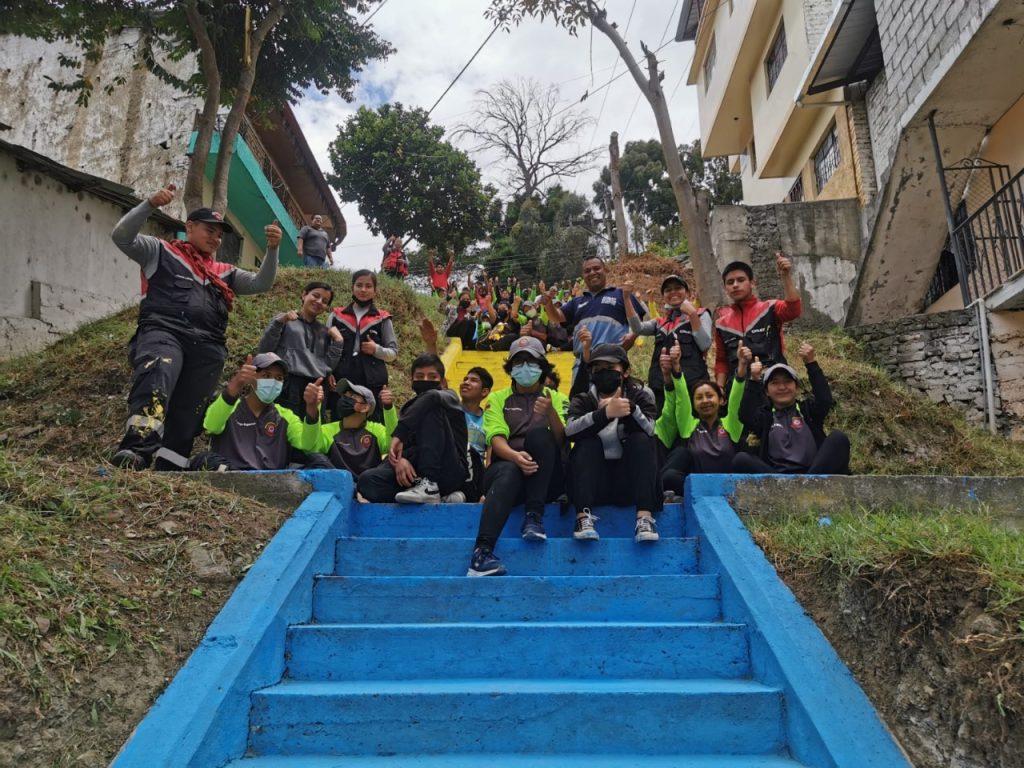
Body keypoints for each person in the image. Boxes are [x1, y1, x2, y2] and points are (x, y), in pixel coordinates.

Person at [110, 183, 281, 471]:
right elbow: (122, 237)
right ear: (189, 227)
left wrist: (273, 250)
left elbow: (261, 283)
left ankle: (172, 464)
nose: (215, 237)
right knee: (158, 376)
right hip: (164, 333)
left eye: (218, 233)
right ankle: (135, 451)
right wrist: (149, 204)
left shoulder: (224, 273)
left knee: (192, 405)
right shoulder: (161, 252)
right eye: (208, 230)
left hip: (208, 347)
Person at [467, 337, 568, 578]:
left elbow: (564, 440)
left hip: (546, 477)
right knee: (509, 470)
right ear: (510, 368)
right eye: (519, 362)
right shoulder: (498, 398)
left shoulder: (558, 398)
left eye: (531, 361)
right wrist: (514, 456)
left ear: (542, 365)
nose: (524, 367)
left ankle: (534, 517)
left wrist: (550, 414)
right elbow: (495, 437)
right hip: (508, 473)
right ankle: (482, 553)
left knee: (539, 436)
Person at [564, 343, 661, 543]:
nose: (603, 373)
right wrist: (603, 415)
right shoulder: (582, 399)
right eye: (597, 369)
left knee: (641, 440)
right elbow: (570, 431)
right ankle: (583, 518)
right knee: (586, 442)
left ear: (625, 372)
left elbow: (652, 430)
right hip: (595, 483)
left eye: (610, 369)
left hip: (630, 482)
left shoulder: (640, 394)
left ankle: (644, 518)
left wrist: (629, 409)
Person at [357, 354, 470, 504]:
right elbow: (405, 448)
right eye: (420, 376)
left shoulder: (449, 398)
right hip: (416, 474)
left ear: (443, 382)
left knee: (430, 406)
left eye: (432, 376)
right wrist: (399, 461)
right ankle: (438, 496)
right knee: (367, 481)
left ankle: (431, 486)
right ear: (412, 381)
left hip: (448, 471)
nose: (425, 380)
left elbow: (431, 397)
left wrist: (400, 432)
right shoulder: (409, 409)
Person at [190, 352, 322, 471]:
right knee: (205, 460)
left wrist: (312, 409)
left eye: (279, 378)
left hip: (273, 482)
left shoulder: (285, 416)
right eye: (266, 375)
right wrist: (235, 385)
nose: (273, 382)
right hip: (230, 475)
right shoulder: (230, 406)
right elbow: (211, 425)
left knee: (319, 462)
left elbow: (308, 445)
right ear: (251, 377)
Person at [733, 342, 851, 475]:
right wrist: (754, 380)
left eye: (787, 382)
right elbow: (745, 415)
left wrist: (811, 363)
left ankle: (808, 486)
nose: (782, 387)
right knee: (741, 459)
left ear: (797, 387)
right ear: (766, 391)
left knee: (838, 438)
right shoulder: (765, 417)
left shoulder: (808, 411)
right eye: (775, 383)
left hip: (813, 476)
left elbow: (825, 400)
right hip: (777, 481)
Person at [658, 341, 750, 499]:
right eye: (699, 398)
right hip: (698, 490)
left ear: (721, 400)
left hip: (729, 489)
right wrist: (676, 369)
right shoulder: (688, 426)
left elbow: (736, 400)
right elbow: (681, 398)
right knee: (669, 476)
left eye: (710, 395)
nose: (705, 400)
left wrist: (741, 369)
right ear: (693, 404)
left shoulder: (731, 425)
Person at [540, 256, 645, 386]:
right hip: (581, 365)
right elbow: (556, 317)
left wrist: (632, 336)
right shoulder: (577, 301)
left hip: (611, 363)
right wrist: (548, 304)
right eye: (587, 271)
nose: (592, 273)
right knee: (580, 404)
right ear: (583, 275)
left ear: (605, 270)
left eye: (596, 268)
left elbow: (639, 322)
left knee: (611, 404)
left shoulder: (621, 294)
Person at [626, 274, 712, 413]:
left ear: (687, 293)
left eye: (678, 288)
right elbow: (638, 328)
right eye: (668, 290)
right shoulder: (660, 322)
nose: (673, 292)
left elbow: (704, 344)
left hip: (692, 387)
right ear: (664, 296)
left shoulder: (700, 314)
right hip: (661, 388)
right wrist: (626, 298)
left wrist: (692, 314)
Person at [714, 253, 802, 388]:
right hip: (738, 389)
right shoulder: (721, 324)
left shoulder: (769, 308)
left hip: (771, 385)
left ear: (752, 283)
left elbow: (793, 310)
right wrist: (719, 389)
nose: (735, 285)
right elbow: (721, 361)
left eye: (741, 280)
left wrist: (786, 276)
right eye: (730, 282)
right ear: (725, 289)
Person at [257, 281, 342, 418]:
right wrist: (279, 322)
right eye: (315, 295)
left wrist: (338, 342)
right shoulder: (284, 320)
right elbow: (264, 350)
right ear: (304, 295)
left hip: (316, 387)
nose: (319, 302)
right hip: (288, 385)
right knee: (280, 429)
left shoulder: (325, 332)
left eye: (325, 301)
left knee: (308, 431)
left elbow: (328, 367)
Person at [327, 270, 398, 422]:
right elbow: (325, 348)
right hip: (342, 380)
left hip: (373, 381)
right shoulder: (336, 315)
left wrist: (376, 350)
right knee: (339, 421)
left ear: (375, 291)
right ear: (352, 288)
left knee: (373, 423)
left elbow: (393, 353)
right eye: (359, 285)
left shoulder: (383, 318)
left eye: (368, 286)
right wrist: (328, 371)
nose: (363, 290)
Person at [306, 380, 397, 480]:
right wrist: (315, 406)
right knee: (315, 457)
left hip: (369, 483)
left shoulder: (376, 429)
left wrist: (388, 408)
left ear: (365, 407)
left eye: (352, 396)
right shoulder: (328, 429)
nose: (346, 399)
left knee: (393, 460)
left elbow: (392, 445)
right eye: (345, 396)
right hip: (339, 483)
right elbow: (312, 447)